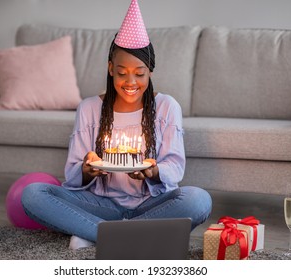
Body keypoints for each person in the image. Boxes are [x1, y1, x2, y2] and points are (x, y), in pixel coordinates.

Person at [21, 0, 212, 250]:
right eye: (122, 72)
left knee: (198, 200)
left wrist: (154, 171)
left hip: (153, 204)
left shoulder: (167, 107)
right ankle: (132, 235)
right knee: (32, 194)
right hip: (100, 203)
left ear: (150, 72)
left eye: (139, 73)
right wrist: (89, 169)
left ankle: (95, 233)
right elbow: (72, 174)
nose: (130, 81)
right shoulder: (89, 108)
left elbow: (175, 168)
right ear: (111, 69)